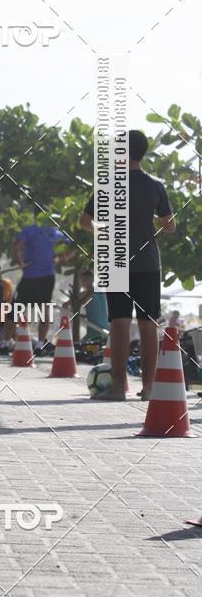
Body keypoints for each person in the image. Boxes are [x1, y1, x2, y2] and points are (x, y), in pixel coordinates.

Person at [80, 130, 175, 401]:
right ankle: (149, 389)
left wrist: (105, 232)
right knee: (148, 325)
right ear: (143, 153)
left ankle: (119, 387)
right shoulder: (156, 185)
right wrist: (155, 221)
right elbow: (170, 227)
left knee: (119, 322)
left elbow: (85, 222)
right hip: (147, 262)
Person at [13, 209, 64, 355]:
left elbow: (16, 246)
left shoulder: (51, 231)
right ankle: (37, 344)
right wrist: (21, 263)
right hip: (37, 277)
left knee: (19, 309)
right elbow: (17, 246)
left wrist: (20, 263)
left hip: (40, 276)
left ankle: (37, 344)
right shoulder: (40, 231)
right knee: (35, 310)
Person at [76, 270, 109, 341]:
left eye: (83, 280)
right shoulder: (101, 293)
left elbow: (68, 304)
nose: (82, 282)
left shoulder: (86, 294)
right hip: (106, 330)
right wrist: (82, 316)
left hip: (95, 333)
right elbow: (96, 312)